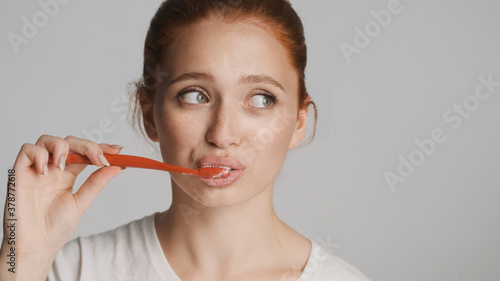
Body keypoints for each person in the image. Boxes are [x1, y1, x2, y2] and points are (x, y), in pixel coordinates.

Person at [0, 0, 371, 280]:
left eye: (262, 98)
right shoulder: (70, 271)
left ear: (299, 122)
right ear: (150, 115)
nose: (222, 135)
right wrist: (23, 256)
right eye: (195, 95)